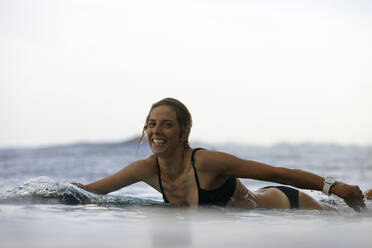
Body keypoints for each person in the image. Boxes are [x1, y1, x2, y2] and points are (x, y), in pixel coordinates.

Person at [72, 98, 366, 211]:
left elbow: (276, 173)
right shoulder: (145, 169)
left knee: (353, 214)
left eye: (166, 124)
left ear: (184, 132)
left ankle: (361, 195)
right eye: (151, 124)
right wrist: (36, 195)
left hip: (285, 204)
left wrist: (334, 186)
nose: (156, 131)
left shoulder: (207, 162)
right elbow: (89, 192)